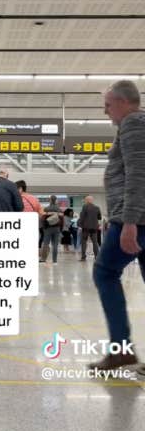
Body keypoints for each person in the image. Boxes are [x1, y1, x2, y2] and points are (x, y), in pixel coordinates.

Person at [89, 80, 145, 372]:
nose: (105, 111)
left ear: (124, 102)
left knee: (104, 273)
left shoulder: (134, 123)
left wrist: (129, 222)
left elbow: (138, 175)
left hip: (135, 219)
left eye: (108, 105)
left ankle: (121, 348)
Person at [41, 195, 64, 266]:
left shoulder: (46, 209)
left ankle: (43, 259)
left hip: (48, 228)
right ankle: (55, 261)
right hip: (56, 228)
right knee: (55, 245)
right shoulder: (59, 209)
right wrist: (61, 229)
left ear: (50, 200)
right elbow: (62, 220)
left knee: (45, 244)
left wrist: (44, 227)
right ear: (56, 200)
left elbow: (43, 219)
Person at [79, 195, 103, 261]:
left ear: (87, 200)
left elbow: (82, 217)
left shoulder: (85, 207)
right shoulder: (97, 207)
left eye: (85, 200)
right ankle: (97, 257)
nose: (85, 201)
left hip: (85, 227)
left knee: (84, 242)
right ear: (92, 200)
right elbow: (99, 217)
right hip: (94, 228)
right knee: (95, 242)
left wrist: (80, 225)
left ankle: (83, 257)